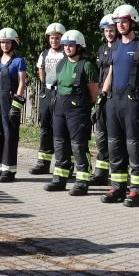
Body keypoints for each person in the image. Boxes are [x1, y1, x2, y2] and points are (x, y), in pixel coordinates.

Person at [100, 4, 139, 208]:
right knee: (114, 144)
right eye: (117, 22)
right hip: (114, 101)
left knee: (133, 146)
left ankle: (135, 190)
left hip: (133, 101)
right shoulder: (114, 46)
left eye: (124, 22)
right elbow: (111, 73)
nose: (120, 25)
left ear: (132, 22)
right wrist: (102, 96)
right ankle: (117, 186)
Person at [44, 30, 99, 196]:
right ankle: (60, 179)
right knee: (60, 143)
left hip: (78, 110)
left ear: (79, 46)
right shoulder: (60, 63)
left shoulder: (87, 65)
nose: (67, 48)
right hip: (60, 107)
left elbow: (94, 94)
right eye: (65, 45)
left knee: (78, 145)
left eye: (71, 45)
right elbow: (50, 82)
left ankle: (82, 180)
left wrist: (85, 108)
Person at [0, 28, 28, 182]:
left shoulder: (19, 61)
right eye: (2, 42)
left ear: (13, 43)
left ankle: (9, 170)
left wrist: (17, 102)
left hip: (10, 101)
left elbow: (22, 82)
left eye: (8, 42)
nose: (5, 45)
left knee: (10, 135)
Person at [30, 23, 66, 174]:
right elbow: (40, 68)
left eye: (57, 38)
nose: (54, 41)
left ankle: (64, 164)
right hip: (47, 93)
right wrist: (45, 84)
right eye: (52, 38)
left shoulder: (66, 53)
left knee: (61, 130)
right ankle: (43, 163)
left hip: (61, 94)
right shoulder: (45, 54)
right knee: (45, 128)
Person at [89, 15, 116, 186]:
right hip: (102, 96)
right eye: (106, 31)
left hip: (114, 95)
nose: (109, 34)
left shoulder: (120, 48)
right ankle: (101, 172)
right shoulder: (101, 49)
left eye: (111, 31)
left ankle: (117, 171)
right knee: (101, 136)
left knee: (114, 137)